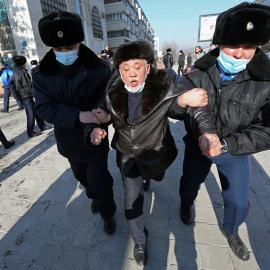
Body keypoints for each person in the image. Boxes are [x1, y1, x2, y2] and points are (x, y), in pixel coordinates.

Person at [86, 41, 218, 266]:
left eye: (136, 66)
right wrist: (99, 123)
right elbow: (105, 113)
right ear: (119, 71)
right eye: (126, 69)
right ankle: (139, 241)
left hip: (157, 152)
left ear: (147, 67)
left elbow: (196, 103)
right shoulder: (112, 88)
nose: (131, 73)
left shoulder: (164, 81)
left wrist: (207, 132)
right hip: (127, 156)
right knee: (131, 203)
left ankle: (152, 176)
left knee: (156, 175)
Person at [179, 2, 270, 262]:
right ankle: (185, 205)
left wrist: (227, 145)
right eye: (233, 45)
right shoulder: (196, 73)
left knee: (239, 202)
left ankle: (230, 230)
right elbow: (174, 109)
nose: (240, 54)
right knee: (189, 185)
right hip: (197, 147)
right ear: (218, 43)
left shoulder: (266, 82)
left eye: (249, 46)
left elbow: (267, 129)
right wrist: (181, 101)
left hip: (235, 150)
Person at [32, 11, 116, 234]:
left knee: (100, 180)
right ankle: (93, 194)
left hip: (97, 139)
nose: (65, 53)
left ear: (79, 42)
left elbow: (108, 98)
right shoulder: (41, 74)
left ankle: (108, 214)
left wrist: (102, 117)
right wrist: (79, 116)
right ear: (51, 47)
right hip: (68, 139)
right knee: (81, 176)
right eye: (59, 49)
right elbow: (43, 108)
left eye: (70, 47)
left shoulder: (102, 69)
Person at [12, 55, 52, 137]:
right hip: (26, 97)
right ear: (22, 63)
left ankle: (42, 125)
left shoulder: (18, 71)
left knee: (36, 111)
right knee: (30, 114)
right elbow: (27, 86)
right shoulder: (20, 73)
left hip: (26, 95)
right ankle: (30, 131)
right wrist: (34, 94)